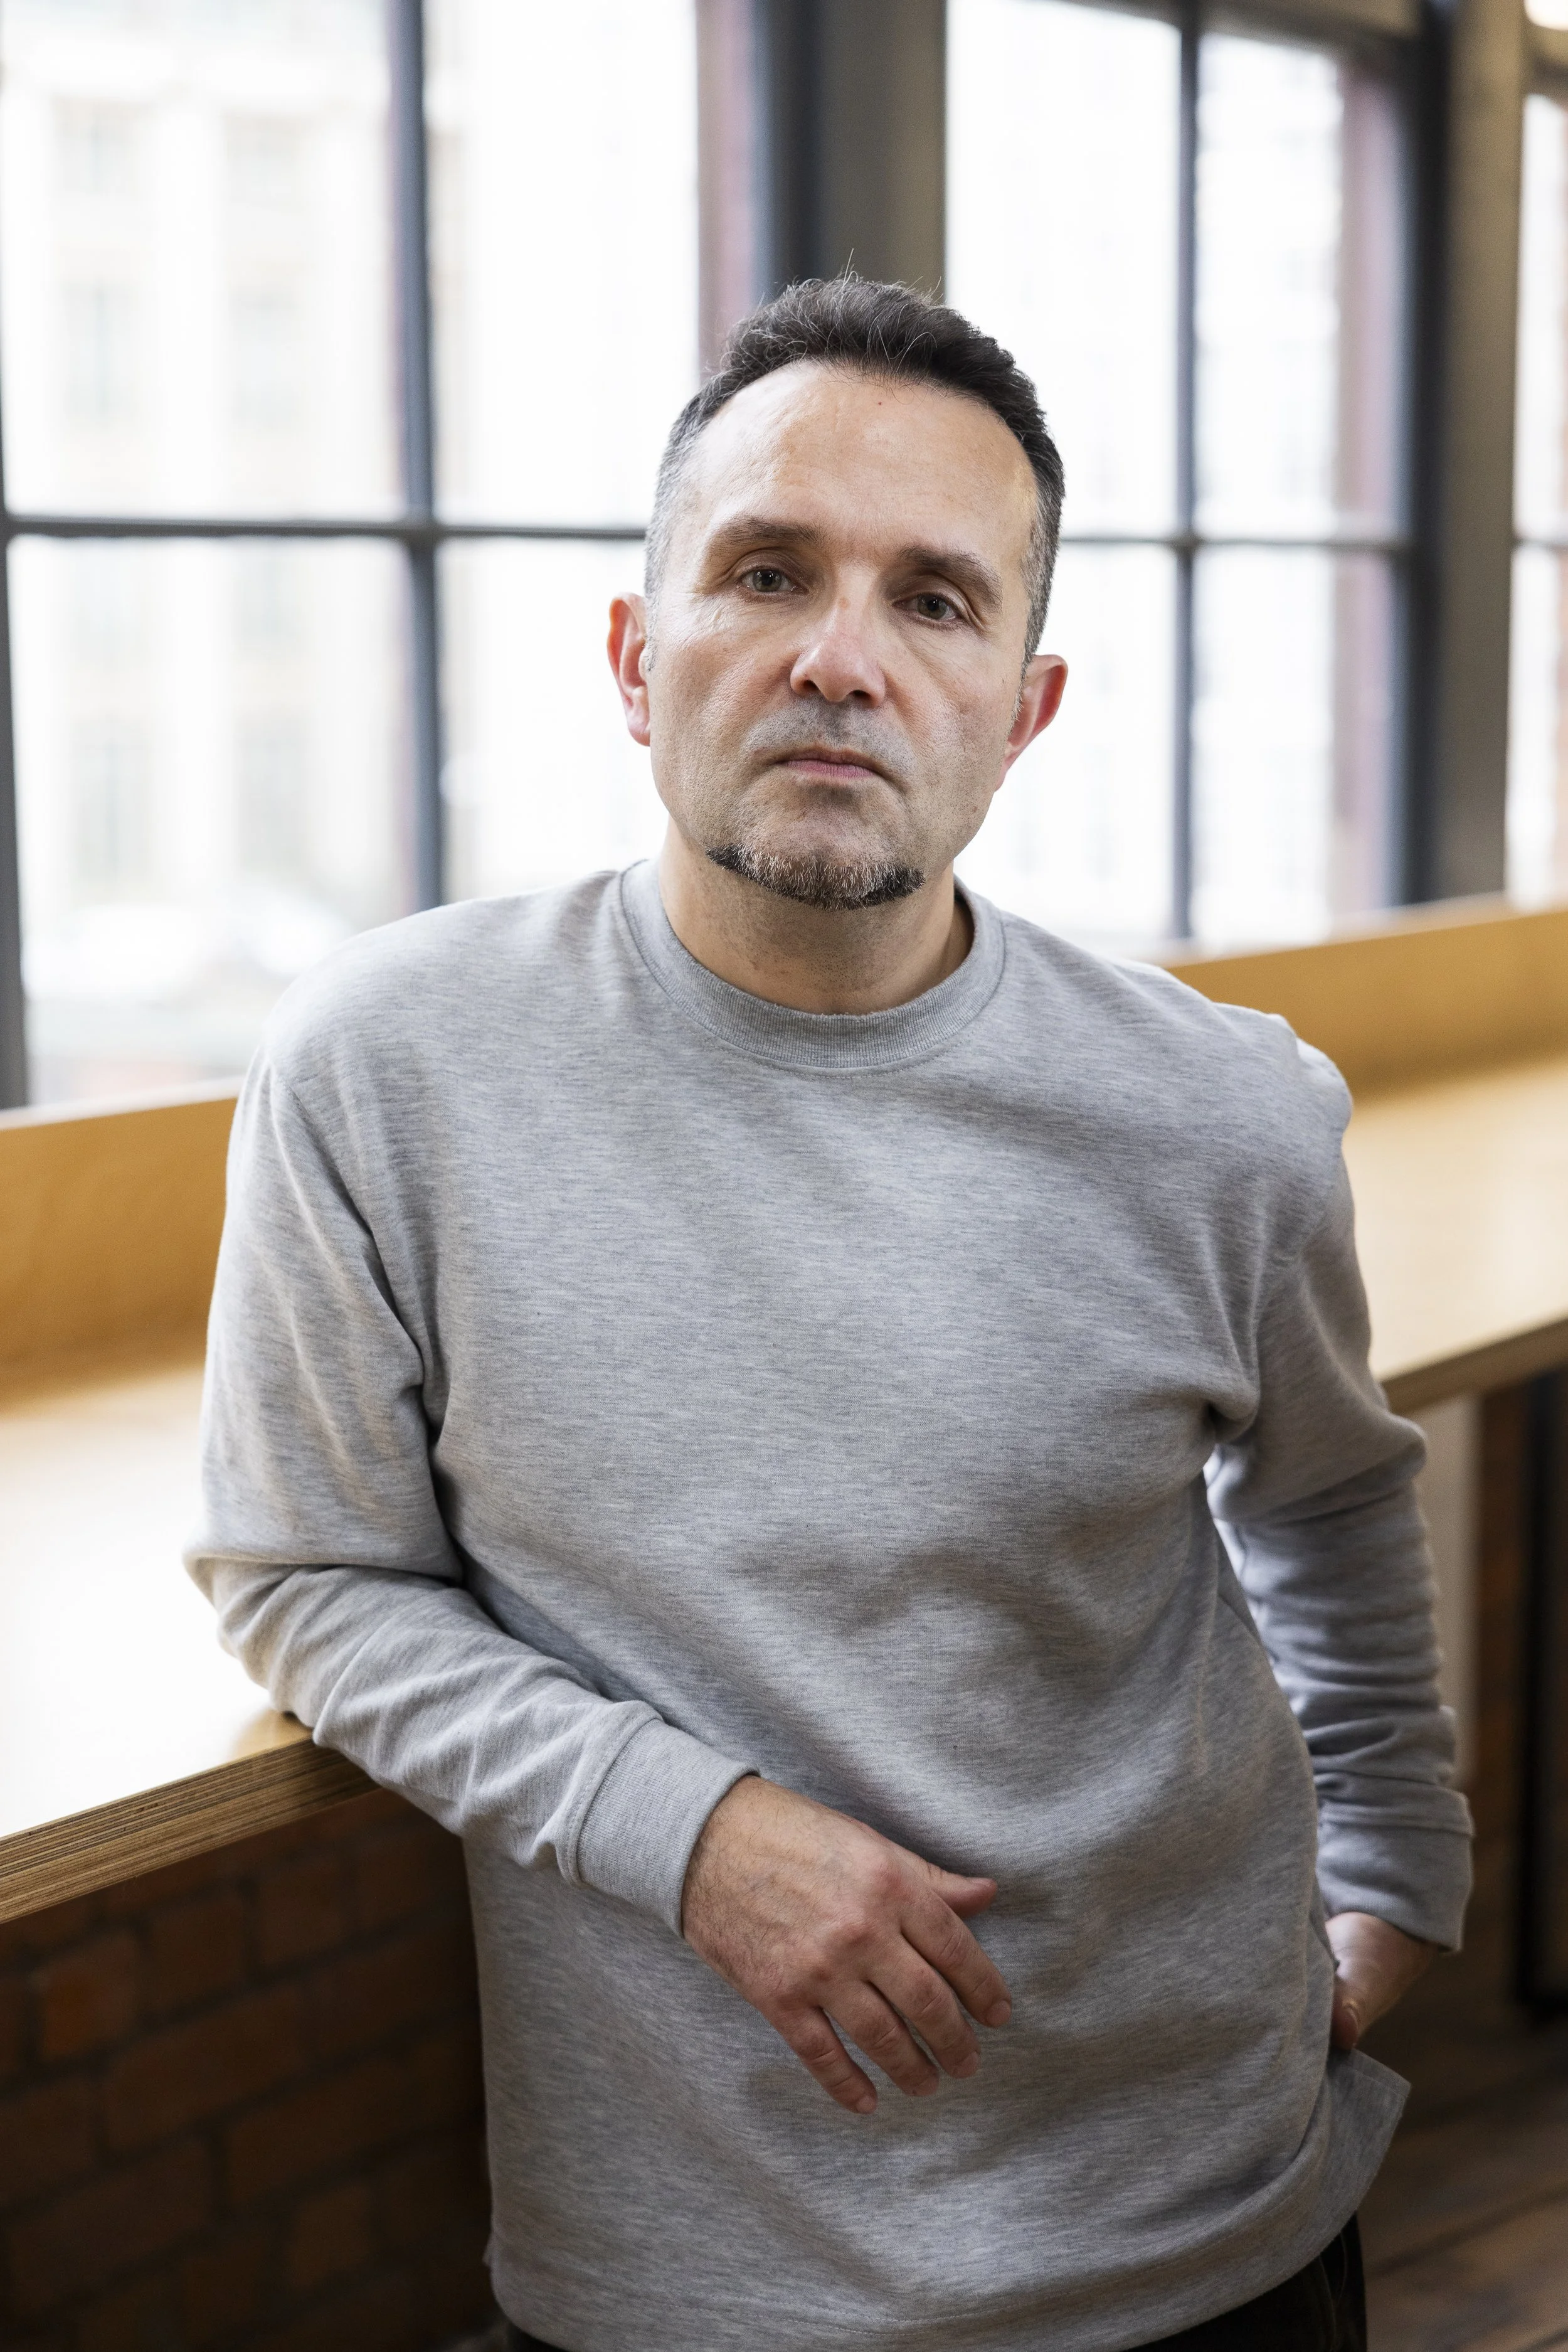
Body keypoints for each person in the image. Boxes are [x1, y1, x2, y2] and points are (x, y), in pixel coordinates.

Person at [189, 277, 1471, 2352]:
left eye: (936, 601)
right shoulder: (385, 1065)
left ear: (1021, 706)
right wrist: (689, 1832)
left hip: (1212, 2225)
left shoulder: (1221, 1107)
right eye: (765, 571)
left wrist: (1400, 1875)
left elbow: (1326, 1503)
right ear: (632, 656)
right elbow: (304, 1569)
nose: (837, 660)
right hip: (693, 2274)